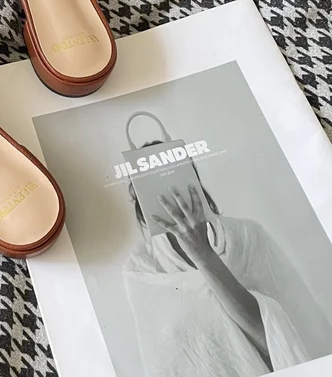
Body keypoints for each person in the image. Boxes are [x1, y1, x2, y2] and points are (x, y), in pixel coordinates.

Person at [122, 143, 332, 377]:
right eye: (149, 185)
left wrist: (202, 253)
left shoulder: (247, 236)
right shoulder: (142, 268)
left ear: (192, 178)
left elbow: (282, 342)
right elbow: (166, 363)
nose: (169, 194)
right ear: (138, 196)